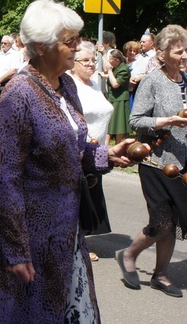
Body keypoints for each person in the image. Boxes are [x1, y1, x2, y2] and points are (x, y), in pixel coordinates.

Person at [0, 0, 135, 323]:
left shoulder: (66, 85)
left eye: (78, 39)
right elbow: (6, 178)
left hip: (64, 232)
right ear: (40, 46)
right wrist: (16, 250)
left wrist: (107, 155)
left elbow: (75, 145)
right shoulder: (18, 95)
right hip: (28, 238)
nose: (78, 47)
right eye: (69, 41)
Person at [117, 24, 187, 298]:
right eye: (179, 51)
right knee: (162, 222)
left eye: (186, 50)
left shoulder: (186, 80)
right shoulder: (153, 80)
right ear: (163, 54)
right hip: (155, 161)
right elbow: (135, 120)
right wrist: (166, 120)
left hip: (181, 162)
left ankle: (161, 275)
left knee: (175, 220)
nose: (184, 56)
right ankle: (129, 253)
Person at [68, 41, 114, 262]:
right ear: (73, 63)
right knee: (79, 197)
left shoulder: (95, 84)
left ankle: (80, 240)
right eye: (84, 60)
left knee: (90, 196)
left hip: (98, 151)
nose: (90, 64)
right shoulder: (69, 85)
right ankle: (77, 245)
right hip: (80, 150)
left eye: (93, 60)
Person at [104, 49, 131, 143]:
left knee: (119, 124)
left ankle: (116, 144)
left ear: (117, 60)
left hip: (120, 99)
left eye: (110, 59)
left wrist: (109, 71)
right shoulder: (117, 67)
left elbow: (115, 84)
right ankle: (107, 145)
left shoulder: (124, 69)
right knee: (111, 122)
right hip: (114, 98)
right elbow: (114, 77)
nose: (109, 61)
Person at [0, 35, 22, 99]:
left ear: (10, 44)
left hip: (7, 83)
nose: (3, 45)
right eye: (1, 43)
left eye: (5, 43)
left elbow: (13, 71)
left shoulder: (15, 55)